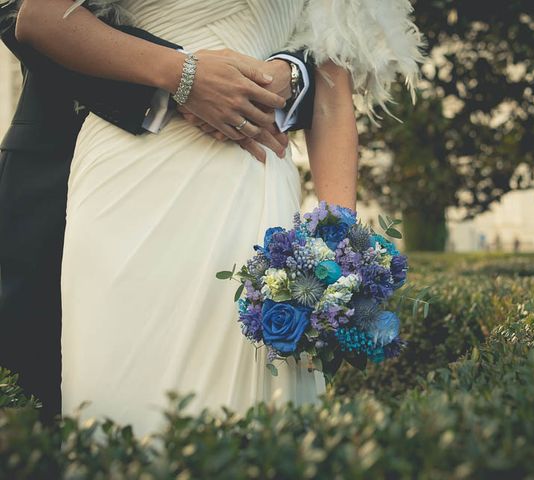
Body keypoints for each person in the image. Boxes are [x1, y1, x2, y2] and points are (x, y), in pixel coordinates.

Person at [16, 0, 423, 435]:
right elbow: (39, 20)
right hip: (130, 179)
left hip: (255, 180)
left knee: (258, 410)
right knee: (124, 397)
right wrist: (182, 74)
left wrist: (339, 245)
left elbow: (332, 100)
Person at [0, 1, 316, 425]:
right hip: (122, 172)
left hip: (257, 176)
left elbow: (335, 55)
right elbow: (30, 15)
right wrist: (185, 75)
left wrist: (293, 73)